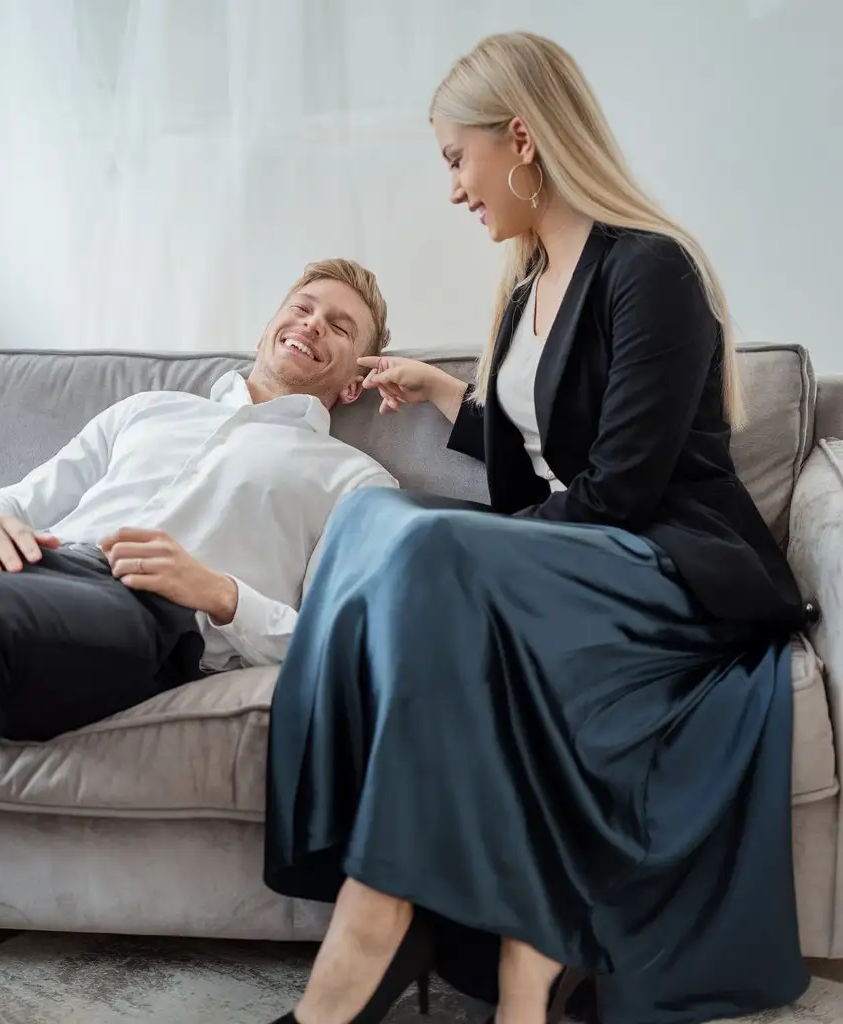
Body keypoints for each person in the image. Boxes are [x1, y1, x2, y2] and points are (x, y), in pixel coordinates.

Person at [262, 33, 815, 1024]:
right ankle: (416, 906)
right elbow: (536, 467)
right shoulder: (526, 283)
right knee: (365, 524)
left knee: (428, 547)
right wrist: (449, 396)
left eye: (453, 158)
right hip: (582, 547)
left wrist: (481, 558)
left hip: (666, 562)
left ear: (519, 138)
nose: (452, 190)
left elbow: (620, 485)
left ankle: (378, 915)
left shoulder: (651, 269)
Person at [0, 258, 398, 1024]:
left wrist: (219, 593)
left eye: (340, 326)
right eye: (303, 307)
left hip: (135, 616)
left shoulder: (353, 480)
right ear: (270, 322)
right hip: (11, 565)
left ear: (357, 375)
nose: (312, 326)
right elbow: (18, 501)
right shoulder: (147, 410)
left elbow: (338, 638)